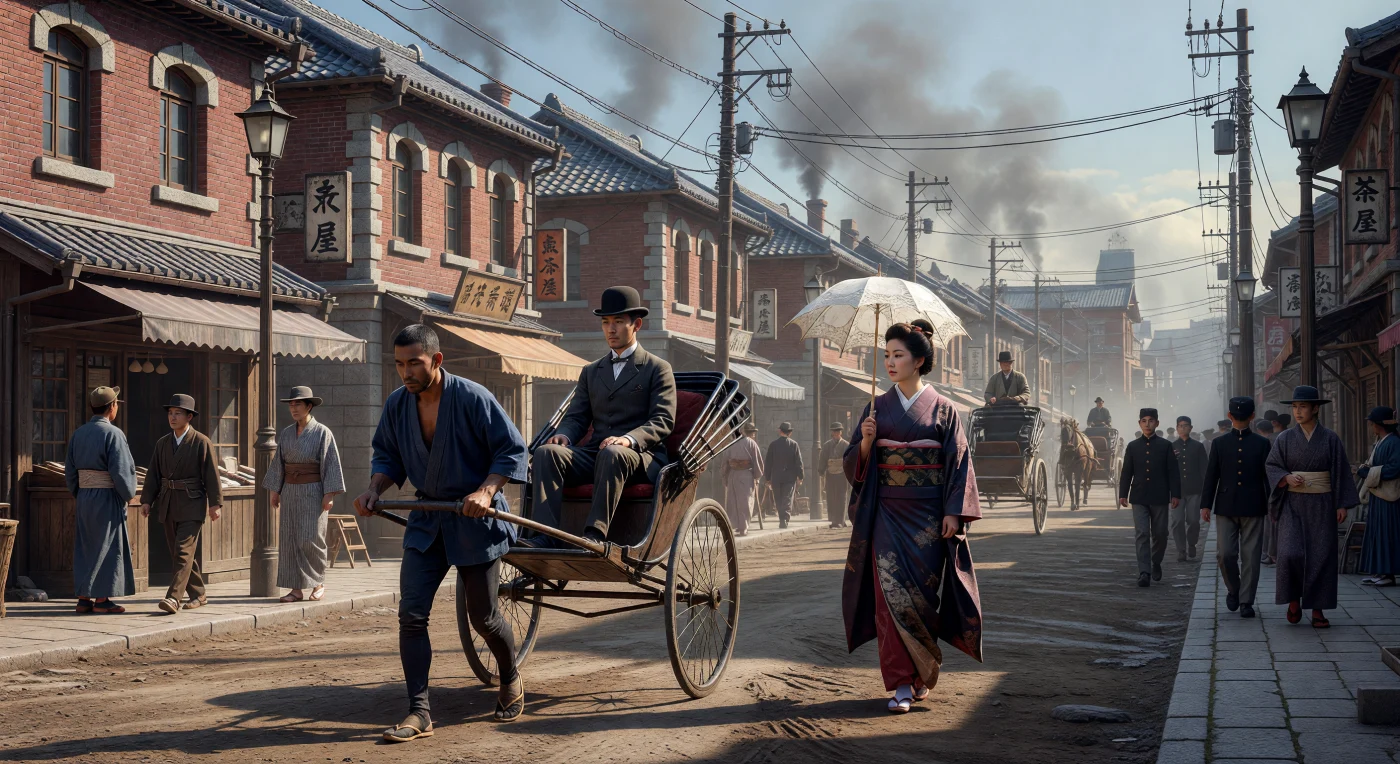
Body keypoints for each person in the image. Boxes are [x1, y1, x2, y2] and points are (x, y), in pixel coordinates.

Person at [354, 324, 529, 735]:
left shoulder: (472, 397)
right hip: (428, 516)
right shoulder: (398, 404)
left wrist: (486, 492)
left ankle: (510, 677)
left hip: (475, 519)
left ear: (436, 360)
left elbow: (511, 449)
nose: (406, 372)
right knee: (411, 616)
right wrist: (374, 488)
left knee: (483, 617)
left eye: (414, 362)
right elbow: (387, 455)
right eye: (399, 364)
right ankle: (419, 711)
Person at [843, 322, 982, 714]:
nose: (889, 362)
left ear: (919, 360)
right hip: (886, 513)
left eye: (898, 355)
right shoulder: (874, 409)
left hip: (928, 519)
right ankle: (900, 683)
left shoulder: (945, 409)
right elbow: (852, 463)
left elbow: (959, 463)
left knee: (922, 599)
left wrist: (954, 512)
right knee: (889, 599)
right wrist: (867, 442)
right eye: (886, 355)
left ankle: (920, 673)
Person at [531, 286, 676, 545]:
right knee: (546, 452)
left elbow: (663, 420)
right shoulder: (591, 371)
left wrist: (628, 440)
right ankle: (545, 536)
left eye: (619, 322)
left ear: (637, 325)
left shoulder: (657, 368)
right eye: (606, 322)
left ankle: (594, 536)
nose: (611, 329)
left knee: (613, 453)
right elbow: (576, 417)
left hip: (641, 457)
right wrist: (564, 434)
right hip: (597, 454)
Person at [1266, 385, 1359, 629]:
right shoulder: (1284, 438)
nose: (1298, 411)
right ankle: (1293, 600)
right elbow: (1272, 465)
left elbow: (1339, 472)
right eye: (1295, 407)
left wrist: (1341, 504)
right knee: (1289, 553)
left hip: (1322, 503)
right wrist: (1285, 478)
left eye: (1303, 406)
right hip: (1293, 504)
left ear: (1315, 408)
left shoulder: (1330, 438)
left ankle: (1317, 609)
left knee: (1321, 555)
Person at [139, 394, 222, 614]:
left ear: (189, 417)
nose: (173, 417)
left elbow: (212, 475)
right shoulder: (162, 443)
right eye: (170, 413)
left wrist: (215, 504)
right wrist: (147, 500)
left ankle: (173, 598)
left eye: (178, 413)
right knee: (179, 554)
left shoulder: (201, 442)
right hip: (167, 503)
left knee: (183, 552)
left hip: (192, 503)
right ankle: (198, 593)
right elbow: (153, 475)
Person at [265, 386, 345, 603]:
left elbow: (331, 464)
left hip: (313, 490)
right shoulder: (286, 433)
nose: (293, 408)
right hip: (290, 490)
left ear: (309, 406)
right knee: (290, 538)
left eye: (298, 404)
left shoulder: (322, 432)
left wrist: (329, 494)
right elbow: (278, 464)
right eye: (291, 404)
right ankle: (296, 589)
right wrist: (275, 490)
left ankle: (318, 582)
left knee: (311, 537)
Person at [64, 386, 137, 614]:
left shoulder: (79, 433)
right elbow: (122, 471)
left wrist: (81, 492)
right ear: (112, 407)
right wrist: (128, 495)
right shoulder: (113, 434)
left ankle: (84, 598)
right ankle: (102, 600)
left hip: (85, 496)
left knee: (87, 546)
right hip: (107, 496)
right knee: (107, 545)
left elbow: (70, 472)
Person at [1201, 397, 1271, 618]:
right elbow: (1211, 475)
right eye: (1237, 417)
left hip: (1254, 504)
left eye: (1243, 417)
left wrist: (1273, 504)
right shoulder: (1219, 443)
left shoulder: (1262, 444)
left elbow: (1268, 477)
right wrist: (1205, 504)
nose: (1240, 420)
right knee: (1225, 554)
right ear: (1231, 417)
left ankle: (1246, 602)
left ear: (1251, 417)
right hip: (1226, 505)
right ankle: (1234, 589)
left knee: (1251, 556)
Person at [1119, 408, 1181, 587]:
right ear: (1139, 423)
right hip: (1138, 496)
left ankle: (1156, 561)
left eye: (1151, 421)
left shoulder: (1165, 445)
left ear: (1157, 423)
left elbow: (1173, 472)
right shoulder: (1133, 446)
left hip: (1160, 496)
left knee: (1161, 534)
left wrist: (1175, 494)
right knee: (1142, 533)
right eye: (1144, 421)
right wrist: (1123, 494)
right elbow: (1126, 472)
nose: (1147, 424)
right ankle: (1144, 571)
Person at [1359, 407, 1400, 587]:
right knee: (1377, 533)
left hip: (1389, 497)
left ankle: (1387, 573)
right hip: (1379, 495)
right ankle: (1378, 570)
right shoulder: (1381, 441)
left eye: (1372, 423)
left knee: (1387, 534)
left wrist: (1368, 471)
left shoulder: (1394, 443)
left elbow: (1394, 468)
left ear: (1379, 425)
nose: (1370, 426)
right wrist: (1365, 469)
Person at [1171, 416, 1207, 562]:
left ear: (1191, 428)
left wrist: (1206, 489)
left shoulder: (1198, 446)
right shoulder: (1171, 447)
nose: (1183, 428)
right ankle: (1181, 550)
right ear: (1177, 428)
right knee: (1177, 521)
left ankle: (1192, 543)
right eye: (1180, 426)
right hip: (1177, 491)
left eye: (1185, 426)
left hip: (1194, 489)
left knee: (1193, 520)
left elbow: (1204, 469)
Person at [720, 422, 764, 537]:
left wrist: (725, 477)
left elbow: (725, 463)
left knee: (734, 501)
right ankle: (743, 527)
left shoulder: (731, 444)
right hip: (746, 475)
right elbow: (757, 461)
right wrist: (757, 476)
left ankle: (738, 526)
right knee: (745, 502)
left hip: (733, 476)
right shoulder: (751, 443)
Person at [764, 422, 805, 529]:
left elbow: (768, 463)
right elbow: (798, 462)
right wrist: (800, 476)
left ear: (780, 431)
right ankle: (784, 519)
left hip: (776, 477)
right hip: (790, 477)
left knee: (778, 498)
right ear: (790, 433)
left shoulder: (773, 445)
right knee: (787, 498)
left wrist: (767, 478)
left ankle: (781, 518)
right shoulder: (794, 444)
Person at [821, 422, 851, 529]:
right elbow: (823, 459)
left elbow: (850, 461)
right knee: (831, 497)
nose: (836, 433)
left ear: (841, 432)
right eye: (834, 431)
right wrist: (821, 470)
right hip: (830, 474)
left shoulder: (846, 445)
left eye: (838, 431)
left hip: (842, 474)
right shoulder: (827, 445)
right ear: (832, 433)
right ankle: (833, 520)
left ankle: (840, 520)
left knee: (842, 497)